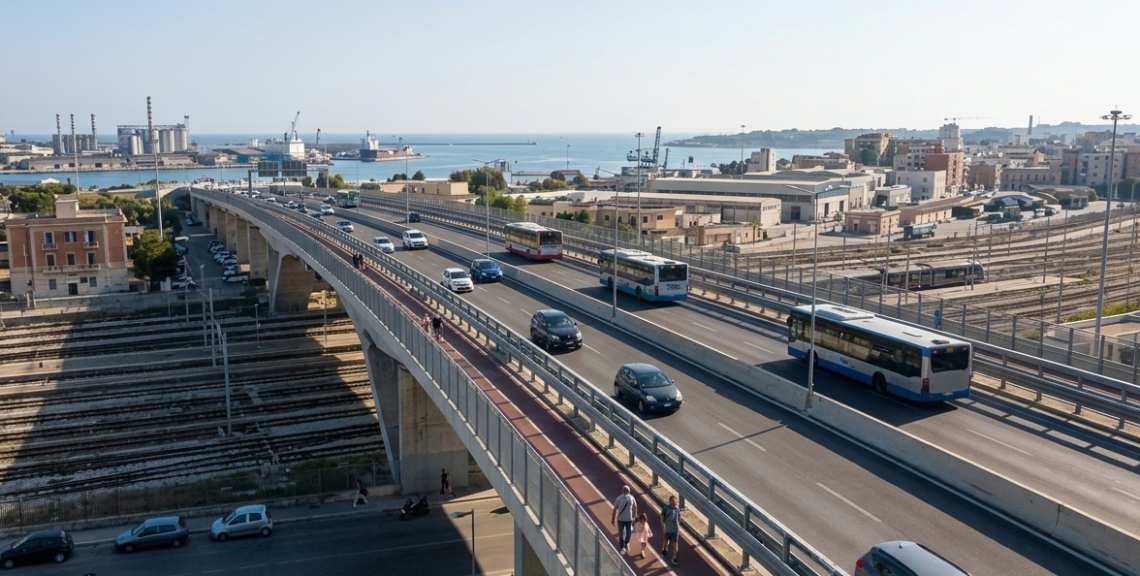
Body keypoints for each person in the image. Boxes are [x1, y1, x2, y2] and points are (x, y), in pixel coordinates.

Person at [610, 485, 637, 554]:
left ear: (629, 491)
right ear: (622, 491)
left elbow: (635, 506)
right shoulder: (619, 498)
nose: (626, 491)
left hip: (629, 519)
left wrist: (635, 514)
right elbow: (615, 508)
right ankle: (622, 546)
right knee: (621, 534)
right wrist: (613, 519)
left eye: (627, 490)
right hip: (621, 519)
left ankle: (626, 543)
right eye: (624, 490)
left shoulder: (631, 498)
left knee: (629, 533)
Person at [660, 495, 680, 565]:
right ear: (670, 502)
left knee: (675, 544)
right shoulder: (665, 509)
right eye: (672, 502)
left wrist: (677, 526)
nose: (674, 504)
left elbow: (679, 518)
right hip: (667, 529)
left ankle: (674, 558)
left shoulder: (677, 509)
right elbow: (662, 519)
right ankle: (664, 548)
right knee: (666, 540)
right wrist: (663, 527)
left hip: (675, 530)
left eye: (675, 502)